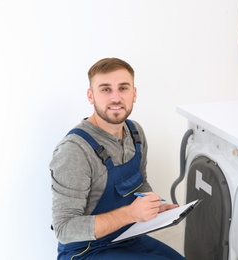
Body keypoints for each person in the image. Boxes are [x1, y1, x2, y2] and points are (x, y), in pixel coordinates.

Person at [50, 58, 185, 260]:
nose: (116, 98)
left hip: (127, 237)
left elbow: (140, 183)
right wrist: (130, 214)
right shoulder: (74, 151)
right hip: (85, 252)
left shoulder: (135, 132)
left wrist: (153, 205)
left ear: (134, 93)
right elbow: (64, 229)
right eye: (105, 89)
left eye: (123, 88)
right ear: (91, 96)